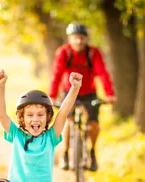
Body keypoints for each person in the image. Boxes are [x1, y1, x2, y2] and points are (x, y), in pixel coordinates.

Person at [49, 23, 116, 171]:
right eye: (75, 38)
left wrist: (109, 94)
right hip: (69, 92)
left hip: (89, 93)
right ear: (70, 38)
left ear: (86, 39)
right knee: (68, 120)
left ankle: (92, 153)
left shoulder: (93, 53)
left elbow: (103, 73)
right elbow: (57, 74)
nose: (79, 41)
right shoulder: (64, 53)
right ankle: (65, 154)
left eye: (82, 38)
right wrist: (52, 95)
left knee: (93, 124)